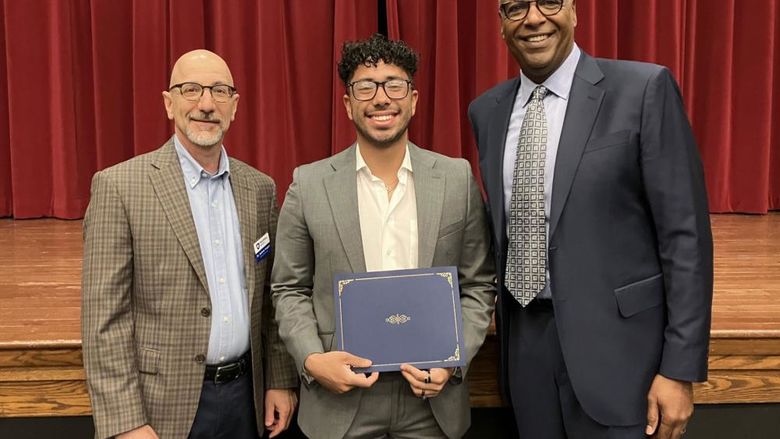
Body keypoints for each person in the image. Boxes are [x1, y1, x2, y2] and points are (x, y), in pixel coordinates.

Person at [468, 1, 713, 438]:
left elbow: (685, 237)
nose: (534, 18)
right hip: (527, 353)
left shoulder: (643, 89)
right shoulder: (487, 112)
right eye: (516, 7)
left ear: (575, 12)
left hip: (622, 357)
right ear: (502, 25)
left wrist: (679, 369)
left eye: (549, 2)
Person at [271, 34, 496, 439]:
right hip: (339, 406)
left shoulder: (456, 179)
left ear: (412, 99)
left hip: (432, 406)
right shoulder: (309, 184)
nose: (380, 98)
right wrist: (312, 359)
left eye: (394, 85)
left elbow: (478, 285)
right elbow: (288, 288)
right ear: (347, 103)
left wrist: (451, 360)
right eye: (365, 87)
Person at [82, 49, 298, 439]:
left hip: (245, 402)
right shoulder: (119, 187)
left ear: (234, 106)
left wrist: (280, 379)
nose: (205, 104)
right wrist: (126, 421)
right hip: (160, 408)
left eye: (219, 91)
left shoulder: (260, 189)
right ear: (169, 103)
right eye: (191, 90)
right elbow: (104, 322)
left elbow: (271, 299)